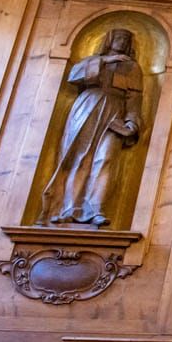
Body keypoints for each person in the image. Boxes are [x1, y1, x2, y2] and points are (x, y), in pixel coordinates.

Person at [40, 29, 143, 227]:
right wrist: (105, 62)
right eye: (119, 38)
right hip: (88, 106)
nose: (122, 42)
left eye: (126, 39)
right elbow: (74, 76)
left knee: (105, 159)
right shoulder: (94, 60)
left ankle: (95, 209)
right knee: (80, 158)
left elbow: (135, 98)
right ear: (110, 40)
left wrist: (132, 121)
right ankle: (70, 208)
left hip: (115, 113)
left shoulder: (132, 68)